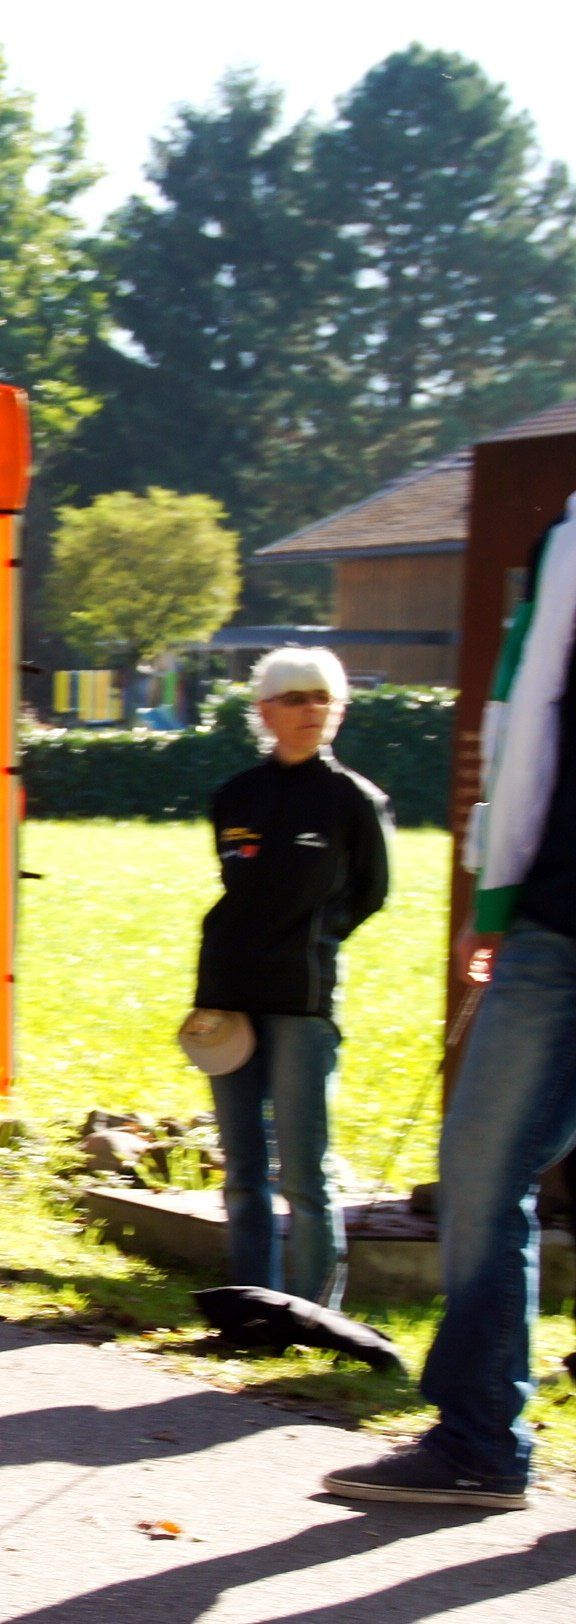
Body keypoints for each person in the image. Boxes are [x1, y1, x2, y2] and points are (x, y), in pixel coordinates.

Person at [326, 496, 576, 1510]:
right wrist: (498, 893)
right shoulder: (569, 538)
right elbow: (525, 717)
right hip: (555, 920)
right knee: (478, 1170)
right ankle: (479, 1439)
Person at [192, 647, 390, 1309]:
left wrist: (314, 939)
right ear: (266, 712)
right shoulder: (234, 795)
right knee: (243, 1172)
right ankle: (250, 1305)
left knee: (305, 1174)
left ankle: (313, 1316)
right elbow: (235, 886)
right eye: (296, 698)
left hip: (302, 1002)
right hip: (228, 1000)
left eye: (323, 697)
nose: (312, 710)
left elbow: (370, 893)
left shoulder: (355, 801)